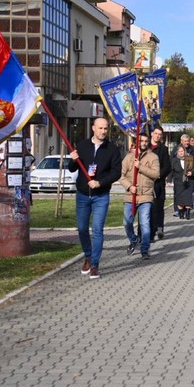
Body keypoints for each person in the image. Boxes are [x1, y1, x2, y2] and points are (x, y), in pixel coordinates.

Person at [69, 117, 122, 279]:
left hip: (101, 196)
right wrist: (73, 159)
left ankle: (95, 265)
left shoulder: (112, 149)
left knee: (97, 230)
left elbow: (116, 172)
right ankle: (88, 256)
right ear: (93, 128)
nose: (103, 131)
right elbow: (72, 169)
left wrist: (100, 183)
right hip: (83, 195)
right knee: (82, 228)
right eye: (100, 128)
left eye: (105, 128)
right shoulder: (82, 145)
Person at [120, 134, 160, 260]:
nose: (143, 143)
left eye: (146, 141)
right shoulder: (129, 157)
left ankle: (145, 250)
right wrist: (129, 186)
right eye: (141, 140)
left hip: (146, 195)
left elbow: (156, 174)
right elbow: (121, 175)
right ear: (137, 141)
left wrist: (140, 167)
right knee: (127, 222)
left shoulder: (153, 157)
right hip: (130, 196)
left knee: (145, 223)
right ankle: (133, 240)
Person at [148, 126, 172, 241]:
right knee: (148, 208)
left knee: (158, 207)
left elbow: (167, 167)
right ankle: (149, 232)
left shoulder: (163, 149)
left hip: (158, 183)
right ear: (152, 134)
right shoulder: (145, 147)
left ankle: (159, 227)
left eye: (160, 134)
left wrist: (157, 175)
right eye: (156, 133)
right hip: (146, 182)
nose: (157, 136)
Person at [171, 145, 194, 219]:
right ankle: (181, 213)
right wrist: (169, 179)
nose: (181, 153)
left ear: (185, 151)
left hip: (188, 181)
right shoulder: (174, 160)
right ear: (177, 152)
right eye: (179, 151)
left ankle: (187, 214)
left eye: (182, 151)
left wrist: (192, 172)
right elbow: (171, 170)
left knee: (188, 198)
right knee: (179, 198)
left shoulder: (189, 158)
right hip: (178, 182)